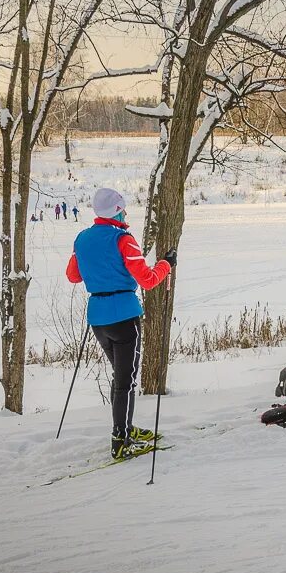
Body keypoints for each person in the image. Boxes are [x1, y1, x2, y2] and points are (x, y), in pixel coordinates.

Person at [66, 188, 176, 459]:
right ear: (117, 210)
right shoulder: (123, 239)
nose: (126, 212)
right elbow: (148, 280)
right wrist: (167, 264)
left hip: (98, 319)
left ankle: (125, 428)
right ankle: (120, 438)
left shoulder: (82, 239)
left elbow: (73, 276)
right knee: (125, 380)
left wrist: (99, 269)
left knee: (121, 377)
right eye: (124, 208)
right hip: (125, 316)